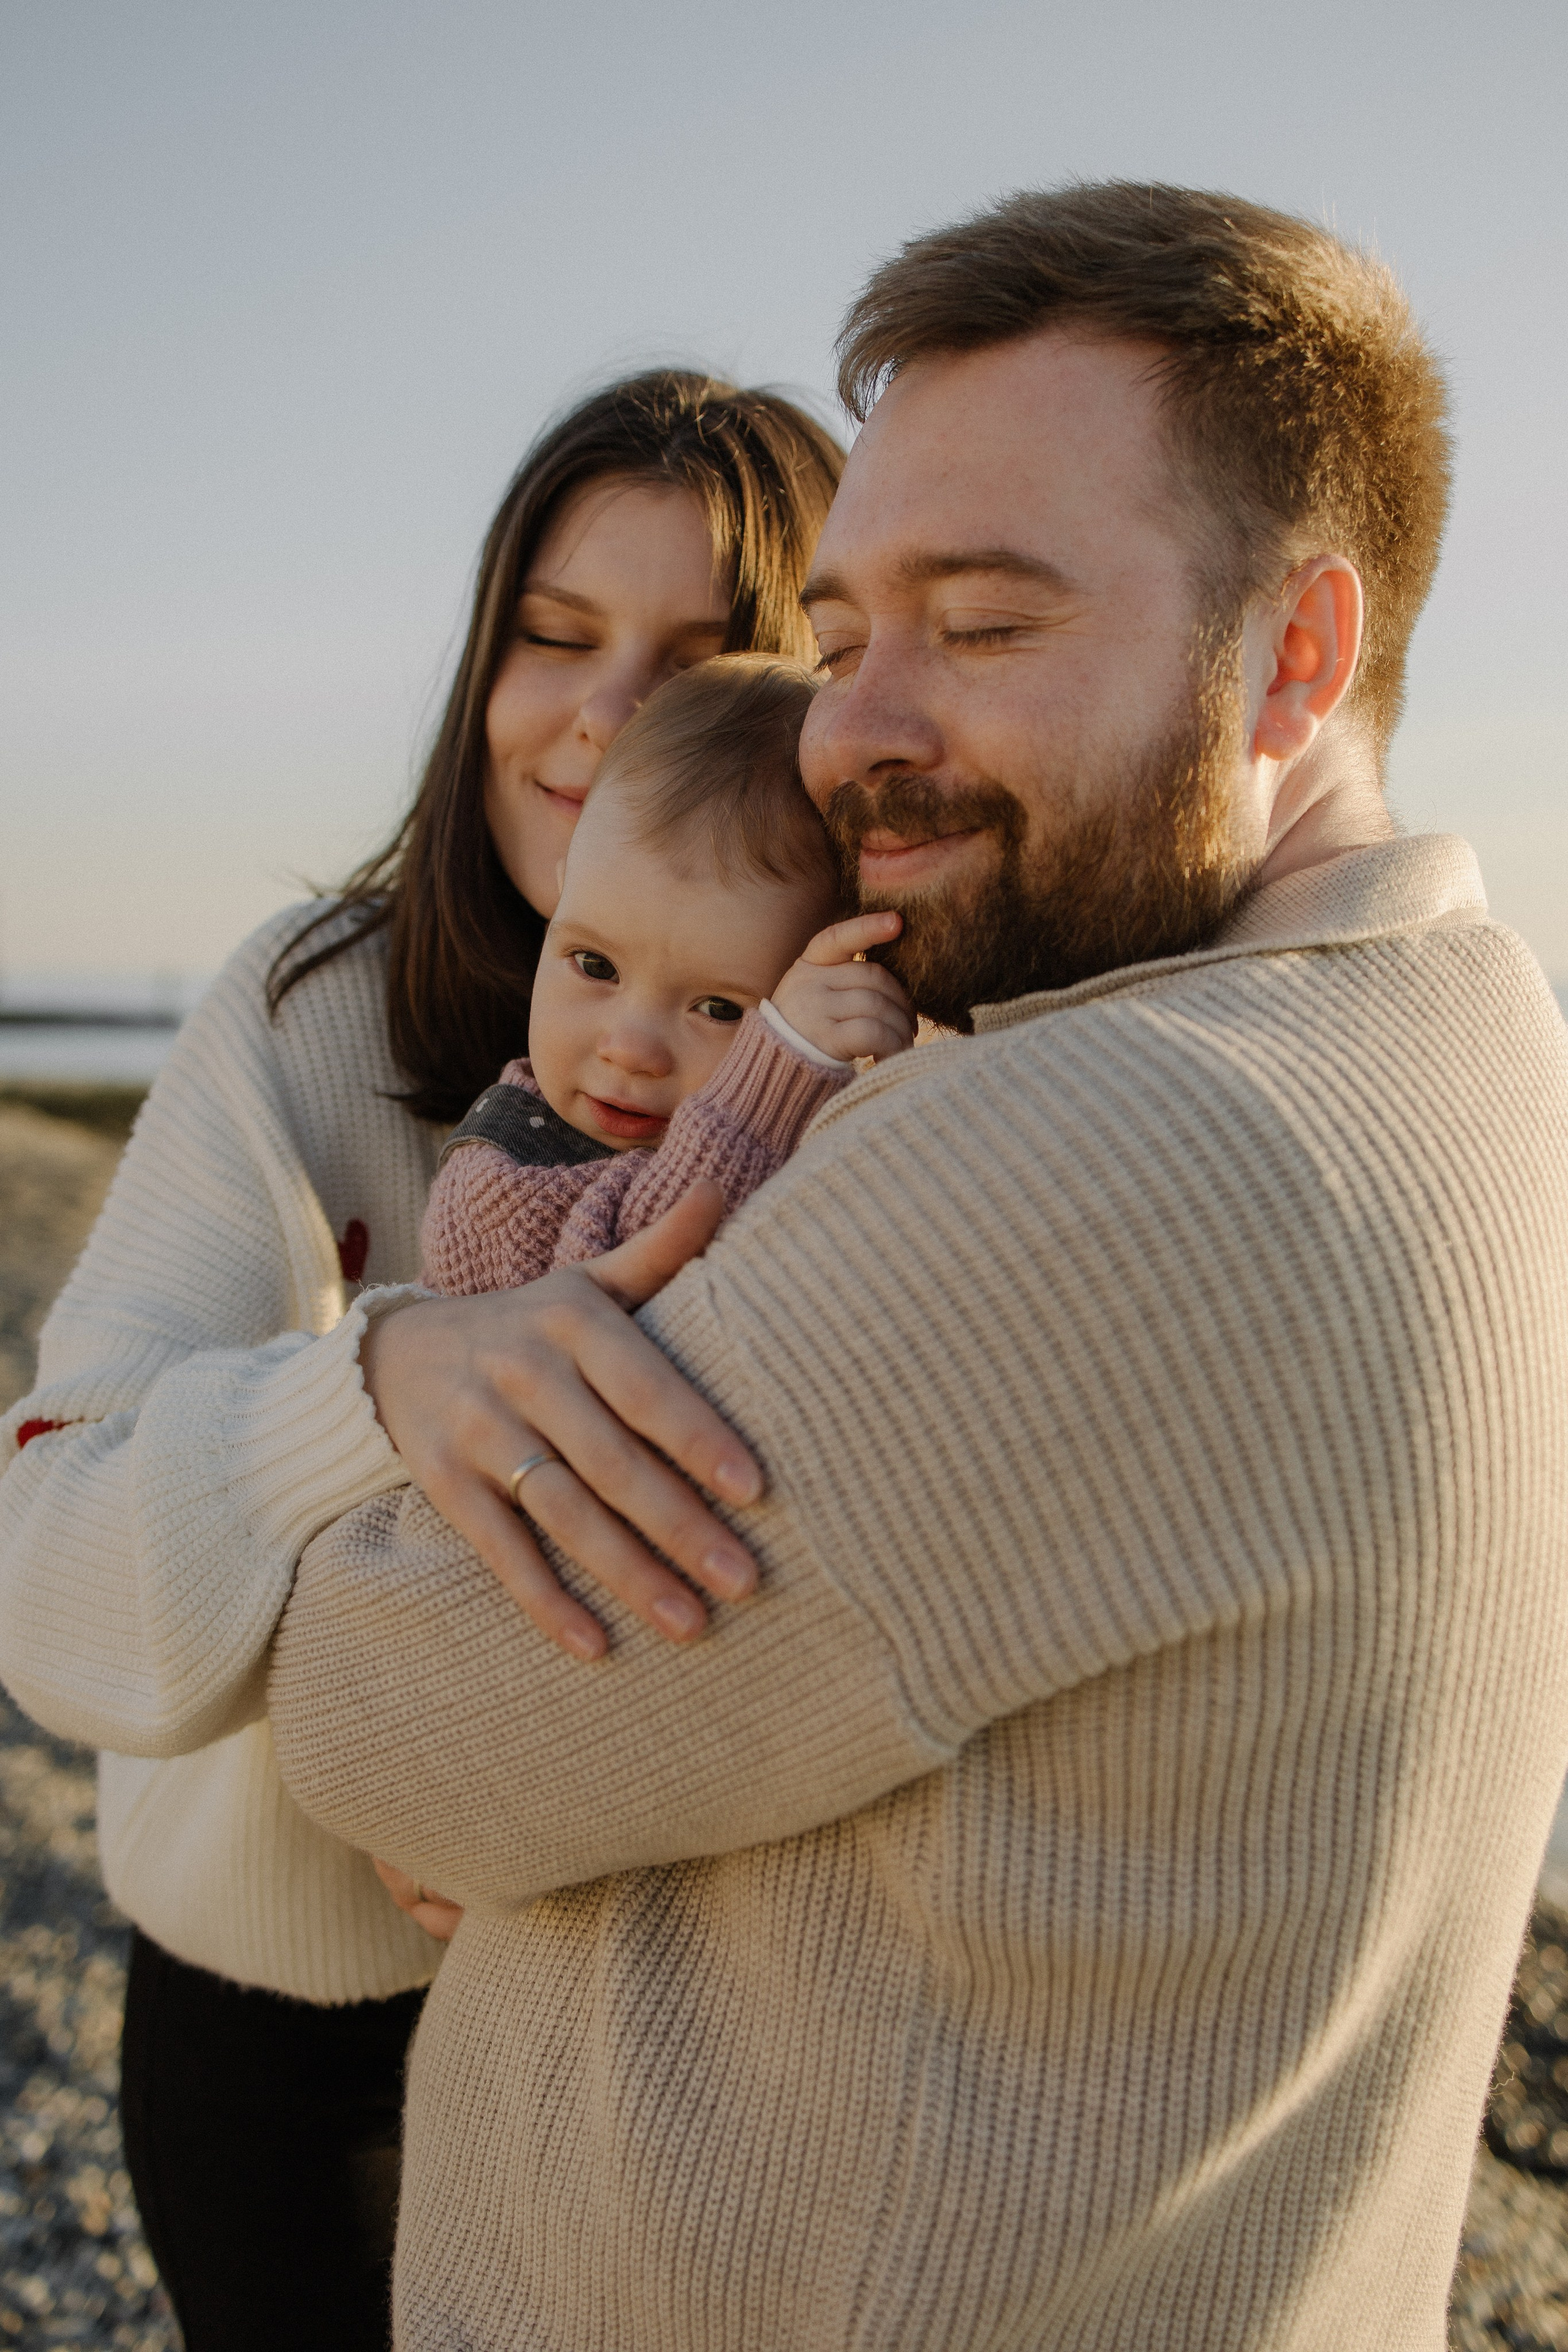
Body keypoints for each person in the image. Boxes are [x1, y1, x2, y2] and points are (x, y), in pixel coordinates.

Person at [270, 184, 1568, 2351]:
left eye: (982, 626)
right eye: (848, 625)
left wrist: (381, 1379)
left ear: (1300, 657)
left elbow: (377, 1721)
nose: (852, 731)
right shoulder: (1474, 1016)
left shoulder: (1131, 1143)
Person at [0, 371, 843, 2352]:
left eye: (702, 657)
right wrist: (381, 1382)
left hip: (670, 2031)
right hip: (289, 2028)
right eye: (553, 638)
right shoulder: (306, 1013)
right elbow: (45, 1561)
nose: (603, 713)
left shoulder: (870, 1080)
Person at [418, 655, 913, 1331]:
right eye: (594, 964)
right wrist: (772, 1079)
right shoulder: (503, 1172)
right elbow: (627, 1284)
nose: (630, 1049)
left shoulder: (824, 1120)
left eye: (717, 1009)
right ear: (563, 895)